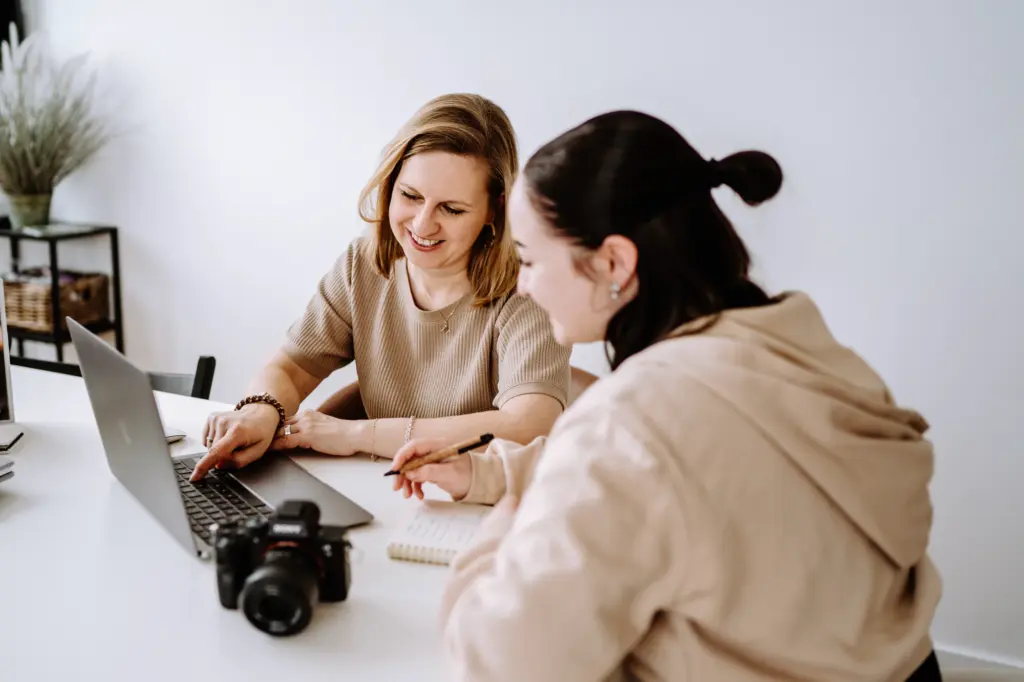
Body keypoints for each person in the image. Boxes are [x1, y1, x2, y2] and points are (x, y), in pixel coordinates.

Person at [390, 110, 943, 681]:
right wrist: (491, 473)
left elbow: (502, 663)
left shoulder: (631, 422)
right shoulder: (805, 353)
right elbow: (690, 467)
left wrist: (501, 531)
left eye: (528, 260)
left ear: (613, 262)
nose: (523, 285)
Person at [192, 93, 571, 482]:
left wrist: (358, 435)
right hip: (384, 488)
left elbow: (529, 423)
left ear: (495, 208)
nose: (422, 225)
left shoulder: (529, 286)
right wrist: (259, 412)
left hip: (476, 502)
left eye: (452, 209)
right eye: (410, 196)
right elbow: (293, 367)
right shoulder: (364, 263)